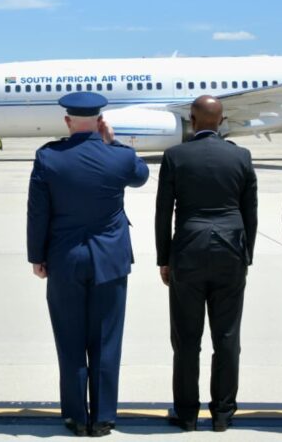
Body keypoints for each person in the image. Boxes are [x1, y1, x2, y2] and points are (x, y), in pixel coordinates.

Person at [28, 92, 149, 437]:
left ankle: (76, 417)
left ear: (67, 121)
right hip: (109, 260)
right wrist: (113, 142)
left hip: (65, 259)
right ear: (100, 121)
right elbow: (140, 175)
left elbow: (38, 212)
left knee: (70, 341)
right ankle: (104, 417)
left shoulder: (49, 157)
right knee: (106, 340)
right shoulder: (119, 158)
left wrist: (37, 256)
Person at [155, 95, 256, 432]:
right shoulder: (241, 156)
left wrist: (164, 258)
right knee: (227, 337)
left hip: (188, 250)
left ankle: (186, 414)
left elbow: (163, 212)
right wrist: (247, 255)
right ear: (222, 119)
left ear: (193, 120)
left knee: (186, 339)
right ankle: (223, 413)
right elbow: (249, 213)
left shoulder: (175, 156)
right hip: (230, 252)